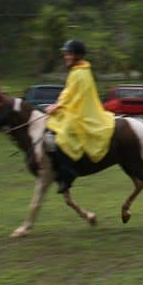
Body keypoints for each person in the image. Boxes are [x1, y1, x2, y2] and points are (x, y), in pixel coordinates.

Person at [45, 39, 116, 194]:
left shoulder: (80, 73)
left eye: (68, 54)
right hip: (74, 109)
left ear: (77, 56)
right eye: (66, 54)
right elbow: (68, 93)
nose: (65, 56)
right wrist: (56, 105)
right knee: (51, 127)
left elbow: (77, 97)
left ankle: (69, 172)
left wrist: (57, 107)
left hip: (82, 113)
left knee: (62, 136)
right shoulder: (77, 71)